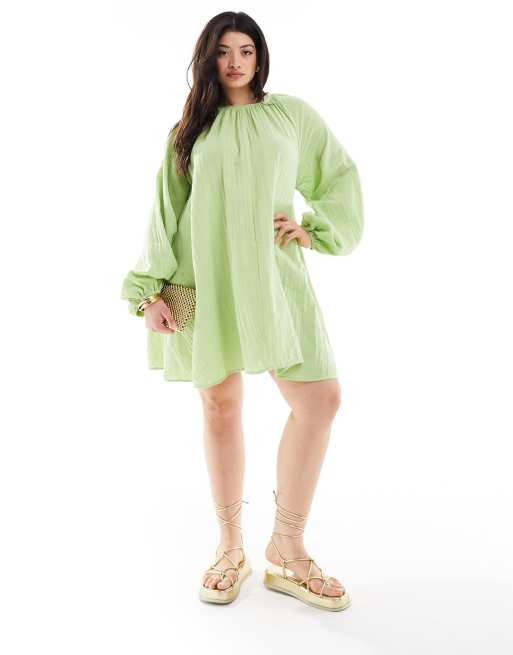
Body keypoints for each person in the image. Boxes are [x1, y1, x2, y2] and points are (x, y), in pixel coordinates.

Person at [120, 11, 364, 611]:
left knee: (320, 399)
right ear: (208, 58)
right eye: (224, 51)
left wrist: (314, 230)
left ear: (260, 57)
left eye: (246, 50)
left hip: (274, 276)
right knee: (221, 406)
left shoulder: (290, 116)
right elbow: (165, 212)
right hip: (203, 277)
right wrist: (148, 291)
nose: (235, 62)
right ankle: (230, 547)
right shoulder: (189, 131)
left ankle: (287, 545)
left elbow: (337, 174)